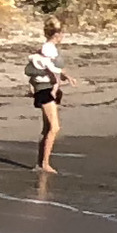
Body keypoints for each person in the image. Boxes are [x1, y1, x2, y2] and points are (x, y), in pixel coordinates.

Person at [29, 22, 68, 172]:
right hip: (45, 89)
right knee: (54, 127)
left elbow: (53, 68)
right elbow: (39, 66)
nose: (63, 36)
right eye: (61, 33)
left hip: (51, 88)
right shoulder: (47, 49)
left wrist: (63, 77)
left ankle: (41, 163)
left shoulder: (50, 49)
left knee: (47, 128)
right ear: (56, 34)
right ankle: (44, 163)